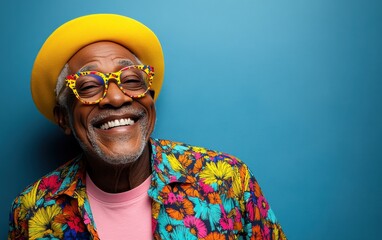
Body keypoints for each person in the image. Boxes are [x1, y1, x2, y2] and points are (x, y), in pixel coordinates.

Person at [8, 14, 286, 240]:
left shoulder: (228, 180)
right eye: (89, 86)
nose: (116, 98)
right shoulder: (32, 211)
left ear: (149, 98)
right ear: (63, 118)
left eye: (131, 80)